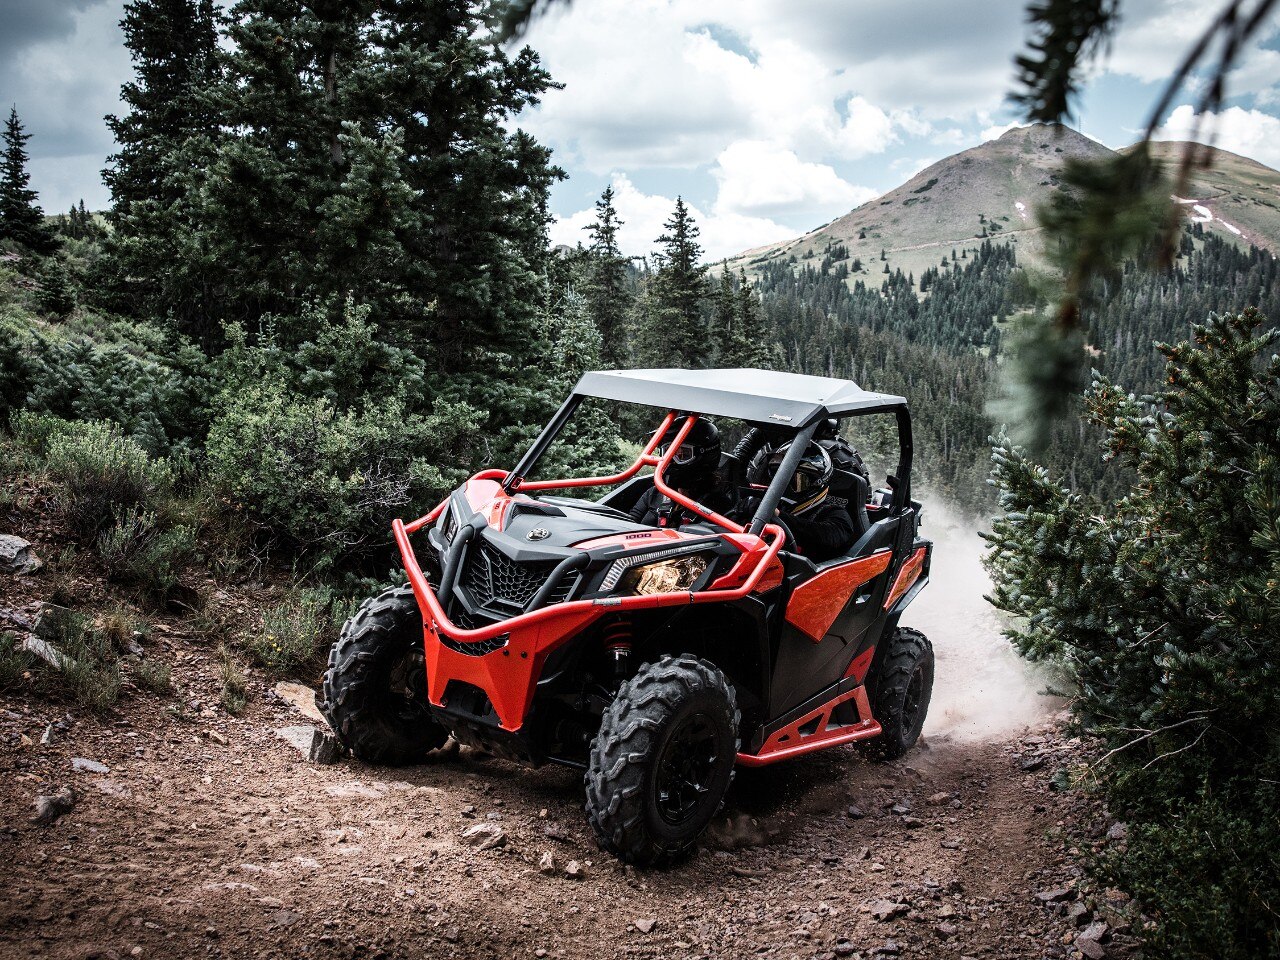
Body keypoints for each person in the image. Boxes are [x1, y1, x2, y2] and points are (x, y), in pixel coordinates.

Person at [760, 441, 855, 562]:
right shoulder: (776, 504)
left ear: (817, 482)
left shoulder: (835, 513)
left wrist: (778, 516)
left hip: (806, 572)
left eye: (798, 480)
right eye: (778, 478)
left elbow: (828, 537)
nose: (785, 487)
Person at [628, 416, 731, 529]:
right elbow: (628, 525)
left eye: (683, 455)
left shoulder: (719, 507)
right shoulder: (654, 493)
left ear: (705, 457)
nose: (672, 461)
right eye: (668, 452)